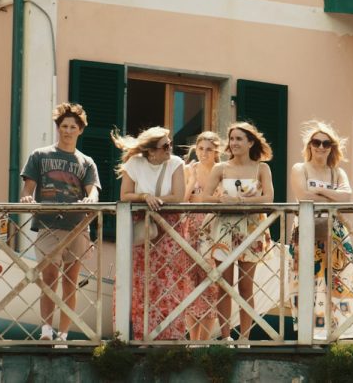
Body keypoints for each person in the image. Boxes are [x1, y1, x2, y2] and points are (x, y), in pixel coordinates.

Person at [20, 102, 100, 345]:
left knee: (70, 283)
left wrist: (90, 199)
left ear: (80, 130)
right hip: (48, 224)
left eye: (72, 126)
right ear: (58, 128)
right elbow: (28, 188)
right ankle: (46, 331)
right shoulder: (40, 155)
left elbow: (93, 190)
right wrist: (26, 198)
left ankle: (63, 335)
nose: (68, 130)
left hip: (77, 226)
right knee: (49, 278)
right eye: (64, 126)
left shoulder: (86, 161)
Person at [111, 126, 198, 341]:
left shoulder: (176, 163)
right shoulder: (135, 164)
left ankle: (170, 336)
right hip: (142, 227)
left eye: (170, 144)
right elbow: (125, 194)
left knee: (169, 280)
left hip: (170, 228)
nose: (170, 148)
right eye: (165, 145)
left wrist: (156, 200)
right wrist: (144, 196)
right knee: (140, 280)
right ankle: (139, 335)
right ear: (151, 151)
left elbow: (178, 196)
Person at [288, 121, 353, 340]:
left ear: (332, 147)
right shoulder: (300, 168)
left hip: (335, 230)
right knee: (308, 280)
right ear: (310, 145)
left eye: (326, 143)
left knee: (342, 279)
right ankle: (311, 333)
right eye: (316, 142)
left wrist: (318, 191)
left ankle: (344, 331)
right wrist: (331, 194)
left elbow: (348, 196)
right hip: (306, 230)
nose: (321, 147)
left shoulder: (337, 172)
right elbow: (303, 195)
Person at [200, 122, 274, 342]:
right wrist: (221, 199)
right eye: (231, 139)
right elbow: (206, 197)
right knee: (223, 285)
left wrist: (239, 200)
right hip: (223, 229)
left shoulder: (262, 168)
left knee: (245, 287)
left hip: (250, 229)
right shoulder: (220, 168)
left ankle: (244, 338)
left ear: (251, 142)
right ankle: (225, 337)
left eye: (239, 139)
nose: (234, 143)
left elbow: (268, 198)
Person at [181, 131, 224, 340]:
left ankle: (204, 342)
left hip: (214, 229)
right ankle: (193, 339)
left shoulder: (222, 170)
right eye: (200, 149)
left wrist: (201, 198)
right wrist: (192, 185)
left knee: (211, 285)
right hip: (191, 229)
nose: (204, 153)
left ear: (216, 151)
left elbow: (222, 198)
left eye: (209, 149)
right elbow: (183, 199)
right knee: (190, 283)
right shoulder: (190, 169)